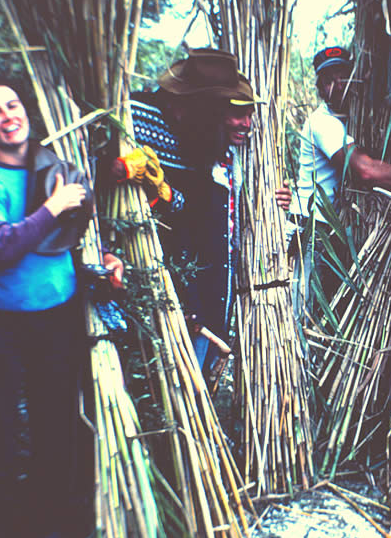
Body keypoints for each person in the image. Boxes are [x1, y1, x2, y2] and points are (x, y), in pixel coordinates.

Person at [0, 76, 124, 538]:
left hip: (57, 318)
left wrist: (105, 256)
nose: (8, 115)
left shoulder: (55, 169)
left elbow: (76, 232)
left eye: (13, 104)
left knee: (57, 426)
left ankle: (49, 535)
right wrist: (54, 207)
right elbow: (1, 249)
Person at [117, 48, 290, 372]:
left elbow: (190, 214)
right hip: (137, 270)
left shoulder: (200, 138)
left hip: (188, 281)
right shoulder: (133, 114)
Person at [288, 46, 391, 318]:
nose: (338, 86)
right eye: (329, 80)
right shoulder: (323, 123)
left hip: (330, 230)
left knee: (325, 311)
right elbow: (364, 170)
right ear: (319, 87)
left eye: (344, 76)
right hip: (311, 230)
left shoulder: (352, 121)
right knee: (304, 313)